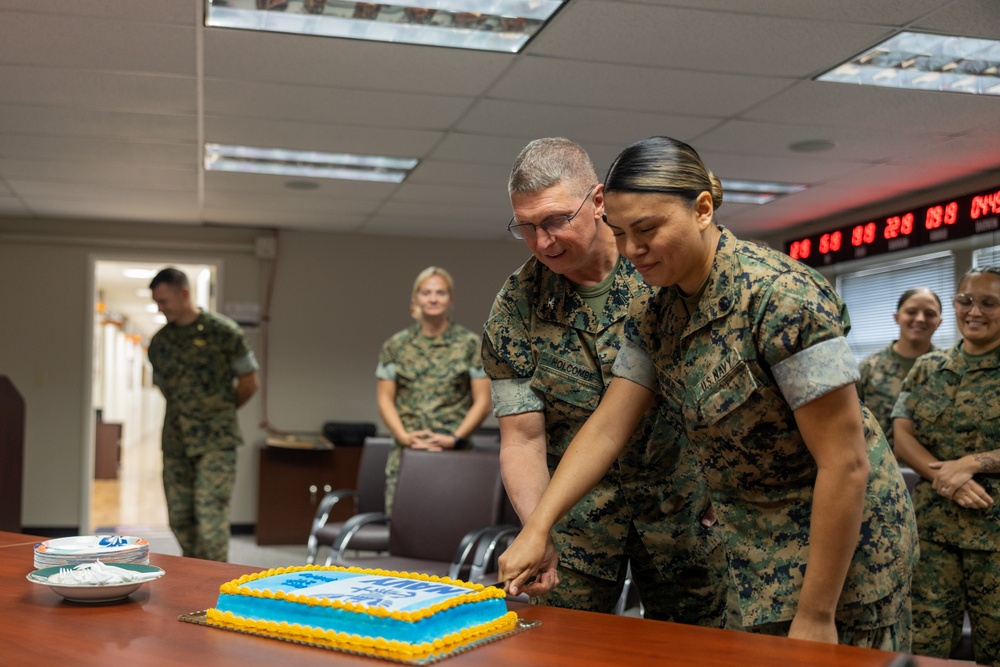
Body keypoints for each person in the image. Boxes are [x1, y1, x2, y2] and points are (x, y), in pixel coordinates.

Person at [498, 136, 917, 649]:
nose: (632, 251)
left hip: (842, 555)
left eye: (647, 230)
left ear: (701, 209)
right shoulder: (660, 314)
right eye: (622, 234)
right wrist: (537, 527)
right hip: (753, 552)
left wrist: (816, 613)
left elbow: (846, 464)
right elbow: (608, 427)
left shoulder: (781, 298)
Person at [482, 137, 729, 625]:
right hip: (576, 519)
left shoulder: (663, 270)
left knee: (695, 653)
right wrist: (539, 528)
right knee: (561, 650)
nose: (543, 242)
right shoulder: (515, 308)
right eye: (527, 227)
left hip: (683, 512)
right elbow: (523, 438)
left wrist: (727, 488)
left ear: (597, 202)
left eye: (555, 220)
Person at [892, 266, 1000, 664]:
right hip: (935, 530)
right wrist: (947, 477)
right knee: (925, 645)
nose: (975, 311)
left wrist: (971, 462)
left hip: (995, 536)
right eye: (965, 301)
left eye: (989, 303)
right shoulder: (928, 367)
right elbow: (902, 435)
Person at [147, 267, 259, 562]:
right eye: (156, 302)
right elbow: (164, 387)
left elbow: (249, 383)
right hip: (176, 441)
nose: (160, 308)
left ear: (184, 293)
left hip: (216, 443)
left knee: (210, 520)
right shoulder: (160, 343)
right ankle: (193, 575)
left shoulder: (224, 332)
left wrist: (218, 412)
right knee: (180, 518)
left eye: (164, 301)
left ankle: (212, 584)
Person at [376, 266, 491, 515]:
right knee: (402, 525)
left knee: (452, 525)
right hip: (408, 451)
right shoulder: (396, 346)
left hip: (454, 452)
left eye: (440, 293)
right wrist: (403, 436)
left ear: (451, 299)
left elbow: (483, 402)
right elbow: (385, 399)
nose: (433, 298)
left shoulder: (469, 345)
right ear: (415, 299)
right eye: (426, 293)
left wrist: (455, 438)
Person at [857, 288, 943, 448]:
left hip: (932, 468)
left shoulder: (948, 369)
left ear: (939, 322)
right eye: (911, 312)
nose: (920, 319)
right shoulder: (868, 368)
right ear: (896, 317)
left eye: (930, 314)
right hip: (878, 468)